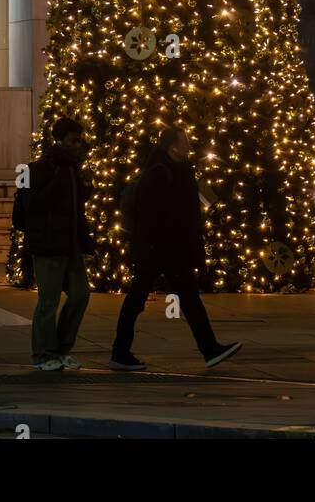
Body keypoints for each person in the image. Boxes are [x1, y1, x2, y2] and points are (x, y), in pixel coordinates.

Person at [110, 125, 242, 371]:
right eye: (185, 141)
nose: (189, 144)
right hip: (162, 249)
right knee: (147, 299)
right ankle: (121, 352)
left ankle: (208, 348)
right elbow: (156, 214)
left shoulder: (178, 169)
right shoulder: (160, 172)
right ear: (172, 146)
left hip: (167, 249)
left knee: (174, 299)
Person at [20, 117, 93, 372]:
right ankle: (43, 353)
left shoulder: (73, 170)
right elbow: (29, 208)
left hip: (70, 245)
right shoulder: (39, 169)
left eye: (79, 140)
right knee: (48, 301)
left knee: (81, 294)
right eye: (72, 140)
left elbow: (78, 209)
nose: (77, 145)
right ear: (58, 141)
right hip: (48, 245)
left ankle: (62, 349)